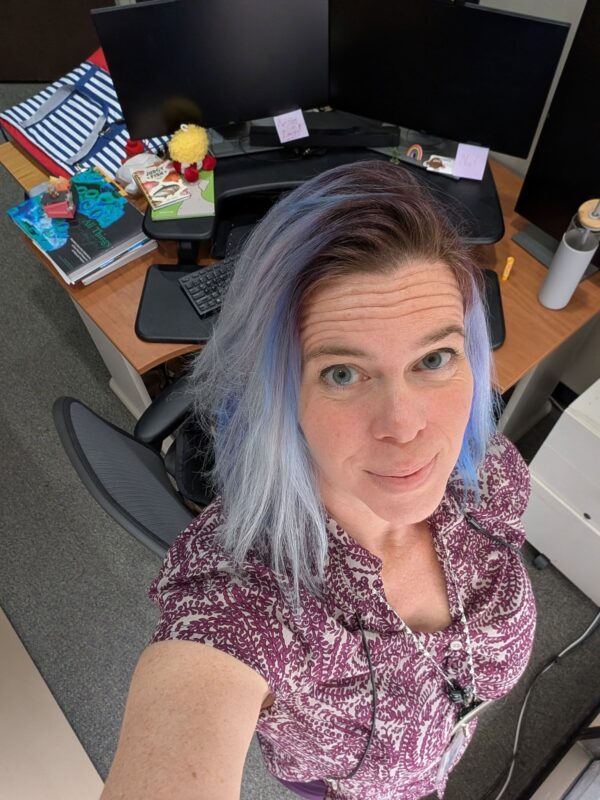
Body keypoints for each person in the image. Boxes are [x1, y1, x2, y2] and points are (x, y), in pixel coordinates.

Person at [100, 161, 536, 800]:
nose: (406, 426)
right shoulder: (246, 594)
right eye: (342, 373)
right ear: (277, 392)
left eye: (434, 358)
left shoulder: (489, 474)